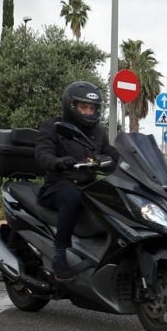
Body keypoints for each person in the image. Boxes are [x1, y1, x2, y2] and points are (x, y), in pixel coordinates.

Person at [35, 81, 115, 280]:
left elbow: (112, 153)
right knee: (72, 197)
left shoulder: (98, 133)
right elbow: (42, 154)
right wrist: (57, 161)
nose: (88, 112)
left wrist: (128, 159)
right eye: (84, 107)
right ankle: (59, 256)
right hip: (57, 185)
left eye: (92, 108)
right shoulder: (53, 127)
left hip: (88, 186)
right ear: (71, 106)